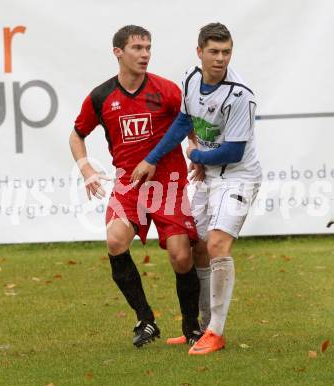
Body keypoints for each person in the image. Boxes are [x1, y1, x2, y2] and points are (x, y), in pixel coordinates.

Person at [131, 23, 262, 355]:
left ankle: (216, 332)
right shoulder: (191, 79)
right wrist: (151, 159)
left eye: (226, 52)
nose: (220, 59)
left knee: (218, 244)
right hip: (208, 176)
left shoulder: (239, 93)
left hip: (238, 176)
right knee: (200, 247)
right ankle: (202, 327)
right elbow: (183, 123)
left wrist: (197, 155)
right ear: (199, 51)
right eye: (214, 51)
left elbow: (233, 151)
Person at [69, 25, 202, 348]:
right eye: (137, 48)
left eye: (148, 48)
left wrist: (194, 150)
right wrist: (86, 168)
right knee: (115, 240)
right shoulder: (101, 97)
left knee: (181, 257)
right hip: (129, 186)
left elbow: (189, 119)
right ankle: (146, 319)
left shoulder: (167, 90)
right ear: (118, 52)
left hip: (168, 185)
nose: (145, 54)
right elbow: (77, 135)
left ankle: (191, 327)